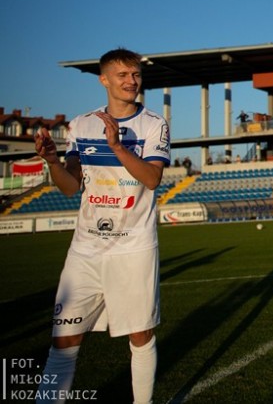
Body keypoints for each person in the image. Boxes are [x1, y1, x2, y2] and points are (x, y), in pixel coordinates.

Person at [32, 48, 171, 404]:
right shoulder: (81, 125)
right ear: (104, 80)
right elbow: (70, 187)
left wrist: (118, 147)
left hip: (133, 247)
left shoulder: (153, 124)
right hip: (86, 249)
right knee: (63, 341)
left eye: (136, 74)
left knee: (140, 336)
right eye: (122, 75)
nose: (131, 81)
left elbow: (152, 178)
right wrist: (52, 162)